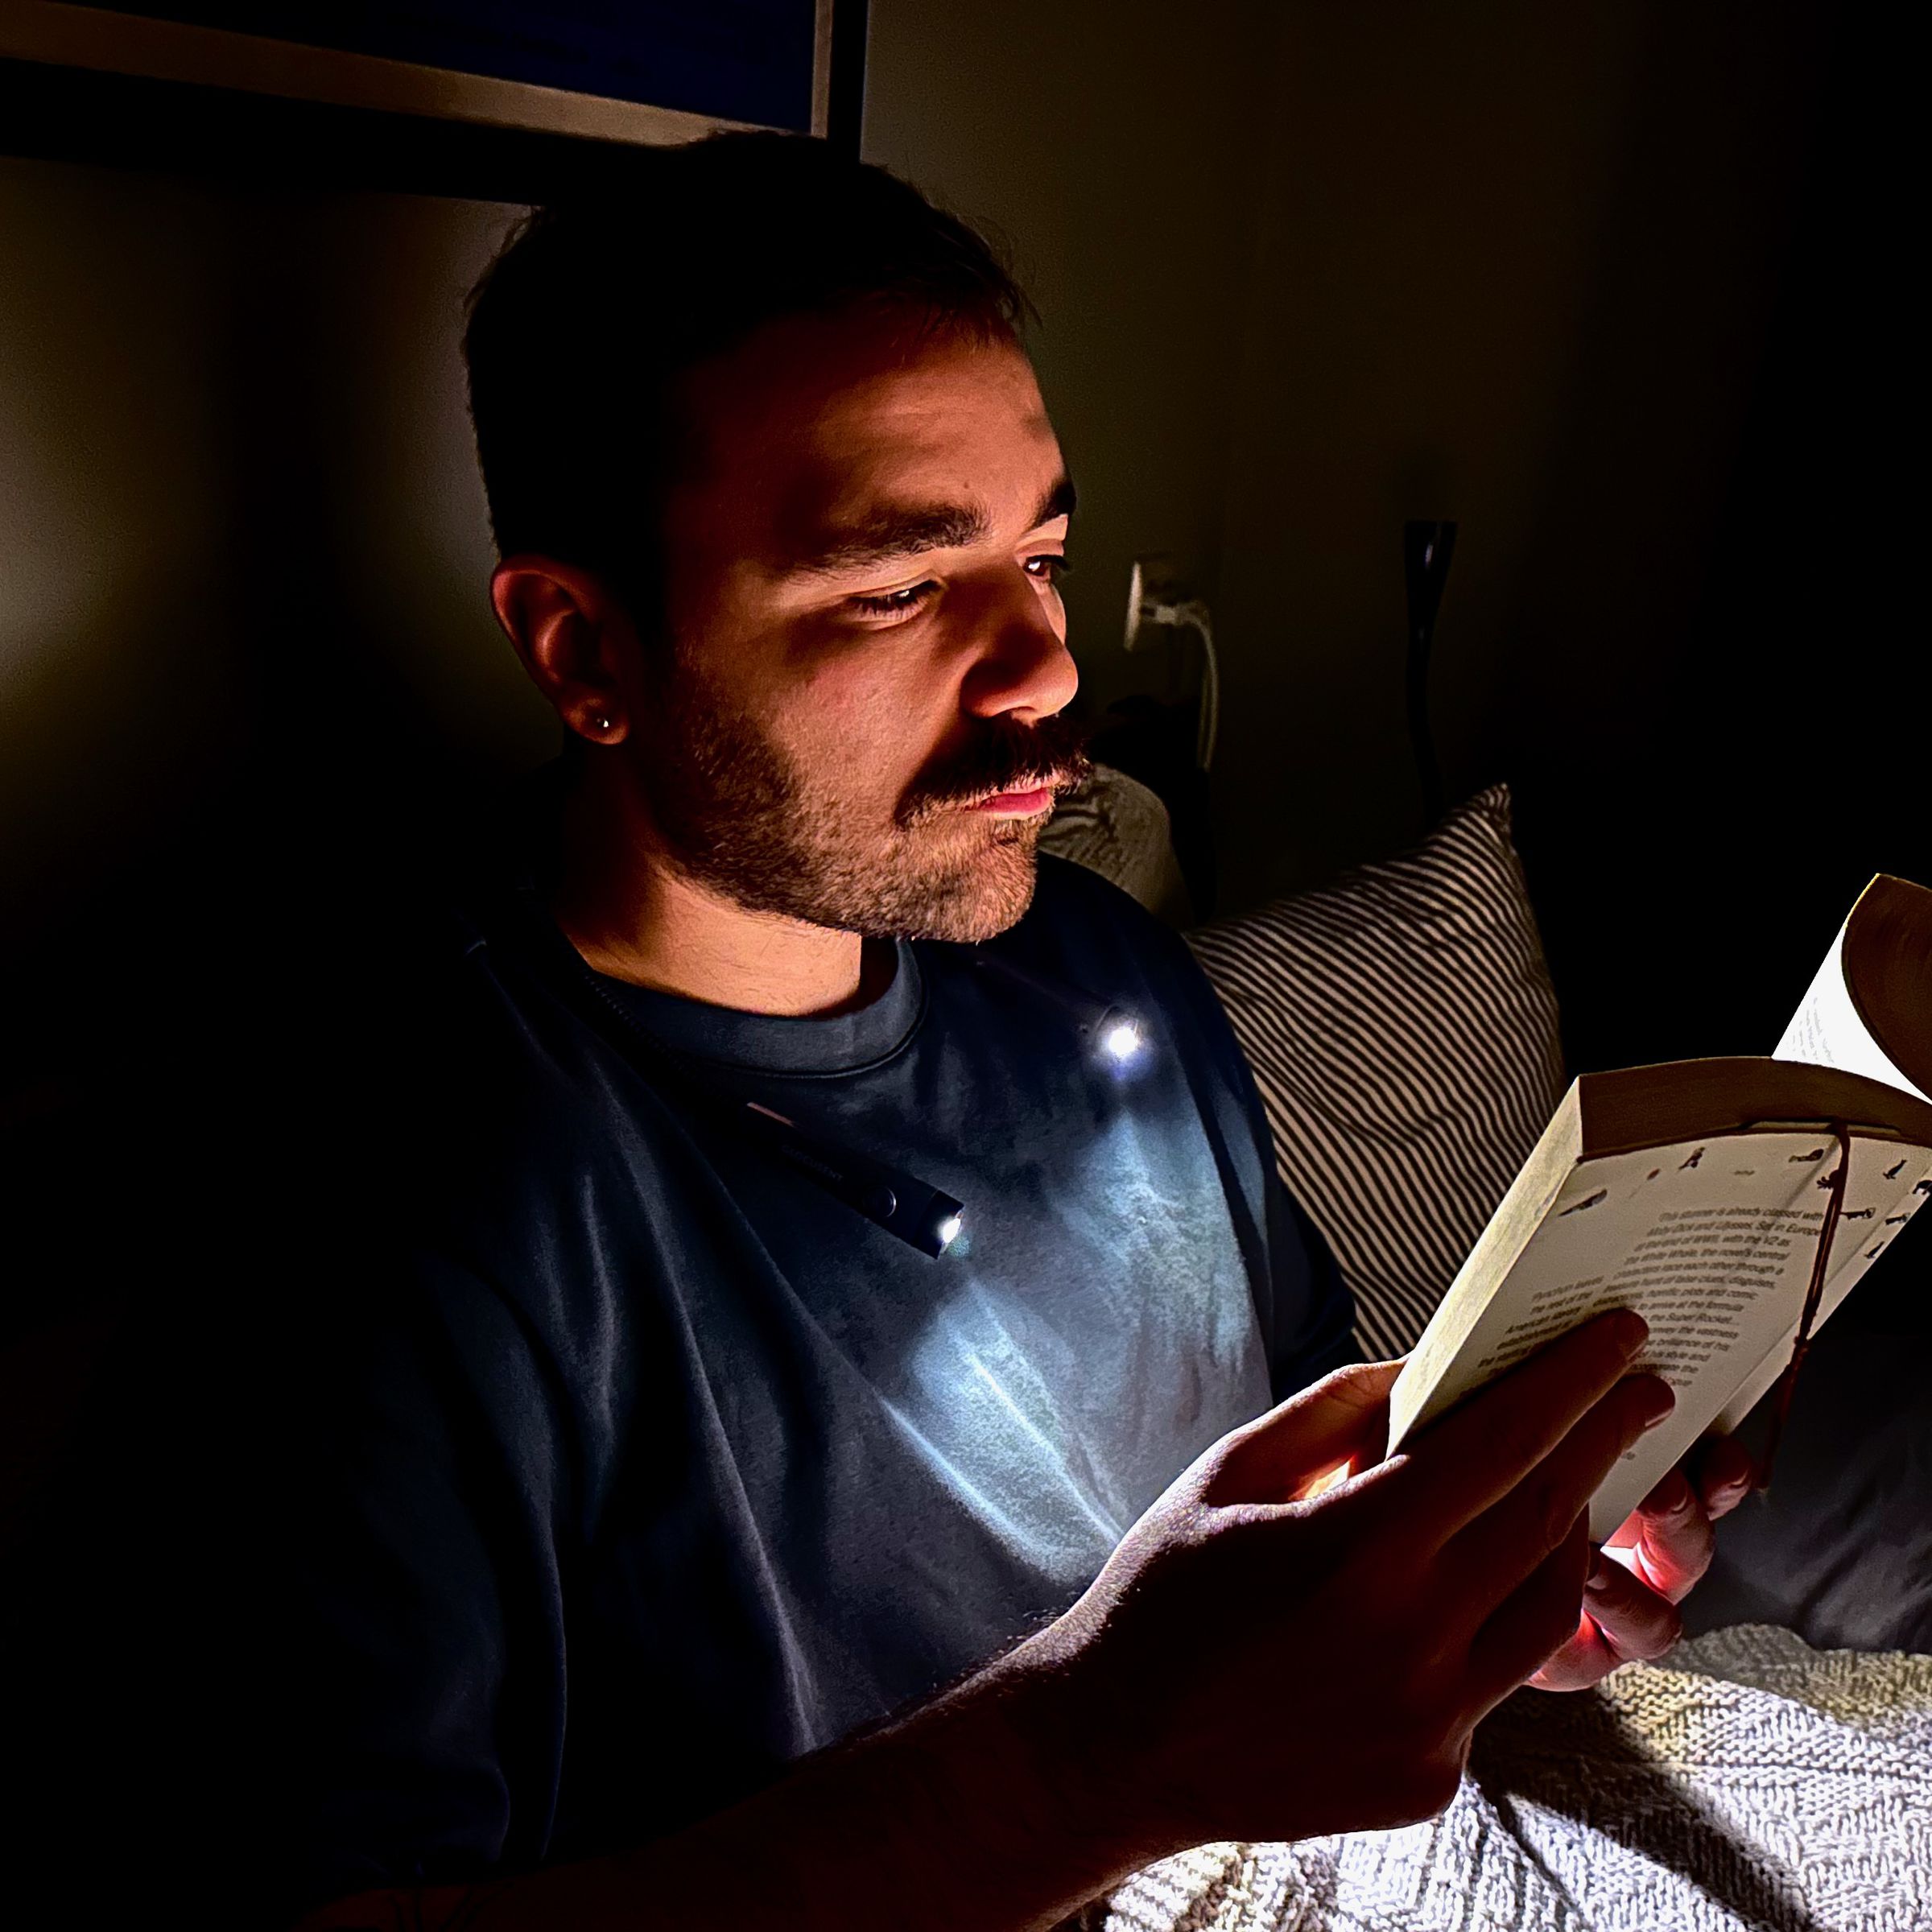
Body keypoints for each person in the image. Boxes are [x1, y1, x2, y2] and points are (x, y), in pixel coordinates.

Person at [18, 132, 1749, 1931]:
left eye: (1042, 557)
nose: (1048, 671)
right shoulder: (394, 1201)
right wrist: (1108, 1760)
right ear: (589, 656)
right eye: (904, 586)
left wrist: (1511, 1578)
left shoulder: (1092, 967)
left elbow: (1320, 1454)